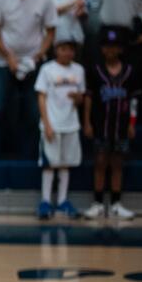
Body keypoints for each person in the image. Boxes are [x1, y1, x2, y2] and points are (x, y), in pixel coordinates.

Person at [0, 0, 57, 158]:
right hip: (4, 59)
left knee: (33, 113)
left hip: (33, 62)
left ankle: (30, 158)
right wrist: (8, 56)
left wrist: (38, 55)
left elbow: (50, 31)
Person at [84, 29, 140, 219]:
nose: (111, 50)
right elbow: (89, 98)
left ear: (120, 49)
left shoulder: (130, 72)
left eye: (115, 47)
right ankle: (98, 203)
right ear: (102, 49)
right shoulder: (95, 71)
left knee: (117, 163)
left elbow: (133, 101)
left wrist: (132, 123)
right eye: (108, 47)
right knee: (100, 162)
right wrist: (87, 122)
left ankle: (116, 203)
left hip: (122, 125)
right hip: (101, 124)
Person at [35, 39, 86, 218]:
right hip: (52, 124)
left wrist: (77, 97)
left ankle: (63, 200)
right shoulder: (47, 69)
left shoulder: (79, 70)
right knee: (49, 165)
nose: (67, 53)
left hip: (71, 124)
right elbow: (41, 97)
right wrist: (47, 124)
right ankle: (46, 201)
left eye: (70, 50)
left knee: (66, 164)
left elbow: (82, 98)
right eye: (63, 49)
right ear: (56, 50)